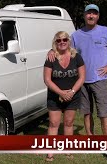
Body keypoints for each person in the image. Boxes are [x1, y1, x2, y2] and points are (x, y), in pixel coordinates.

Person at [47, 4, 107, 162]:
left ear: (98, 16)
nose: (91, 16)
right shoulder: (76, 35)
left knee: (104, 114)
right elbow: (64, 48)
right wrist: (51, 50)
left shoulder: (105, 31)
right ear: (84, 16)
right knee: (86, 112)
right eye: (88, 13)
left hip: (100, 80)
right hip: (82, 81)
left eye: (94, 14)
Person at [44, 31, 85, 162]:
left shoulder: (77, 57)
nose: (62, 42)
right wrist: (61, 93)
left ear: (69, 41)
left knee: (68, 123)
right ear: (55, 42)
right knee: (53, 123)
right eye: (58, 40)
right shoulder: (51, 57)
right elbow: (47, 80)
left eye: (64, 40)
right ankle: (50, 153)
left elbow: (82, 77)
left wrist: (71, 92)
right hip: (54, 96)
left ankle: (68, 150)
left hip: (73, 96)